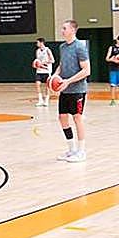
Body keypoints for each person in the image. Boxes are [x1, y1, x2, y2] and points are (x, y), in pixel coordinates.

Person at [52, 20, 90, 162]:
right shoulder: (62, 47)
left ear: (73, 30)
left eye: (64, 28)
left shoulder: (80, 46)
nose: (62, 31)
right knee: (62, 118)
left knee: (77, 118)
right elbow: (62, 66)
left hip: (77, 90)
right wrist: (55, 76)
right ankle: (71, 149)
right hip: (65, 89)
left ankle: (81, 151)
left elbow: (87, 70)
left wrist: (68, 81)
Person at [33, 37, 56, 107]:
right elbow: (37, 60)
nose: (37, 44)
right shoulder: (37, 51)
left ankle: (46, 100)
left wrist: (44, 62)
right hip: (39, 71)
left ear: (41, 43)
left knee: (47, 86)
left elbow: (53, 60)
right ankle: (40, 100)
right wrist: (36, 64)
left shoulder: (47, 50)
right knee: (37, 84)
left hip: (47, 71)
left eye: (37, 42)